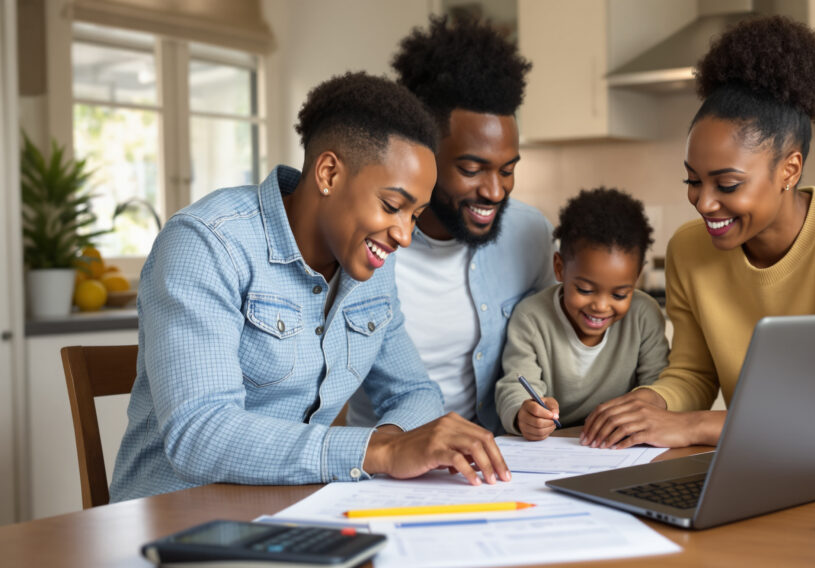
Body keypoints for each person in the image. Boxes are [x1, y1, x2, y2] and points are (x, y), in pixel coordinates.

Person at [110, 72, 510, 502]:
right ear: (329, 173)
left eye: (415, 215)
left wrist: (396, 443)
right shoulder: (207, 242)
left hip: (296, 513)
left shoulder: (371, 266)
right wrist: (380, 450)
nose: (405, 236)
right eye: (392, 206)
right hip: (174, 520)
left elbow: (415, 392)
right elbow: (200, 433)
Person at [581, 16, 815, 453]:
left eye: (726, 185)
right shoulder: (689, 250)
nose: (704, 203)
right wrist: (646, 405)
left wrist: (702, 427)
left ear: (789, 170)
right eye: (692, 181)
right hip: (778, 455)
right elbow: (693, 374)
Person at [345, 16, 555, 433]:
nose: (495, 191)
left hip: (503, 459)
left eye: (508, 169)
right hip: (388, 463)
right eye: (472, 168)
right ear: (423, 154)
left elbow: (550, 345)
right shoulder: (365, 248)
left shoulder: (529, 235)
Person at [495, 188, 670, 440]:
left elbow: (661, 387)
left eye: (619, 294)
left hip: (621, 443)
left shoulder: (645, 315)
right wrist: (525, 413)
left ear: (637, 278)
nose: (600, 306)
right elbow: (515, 385)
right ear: (559, 268)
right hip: (555, 444)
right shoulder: (531, 318)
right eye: (585, 289)